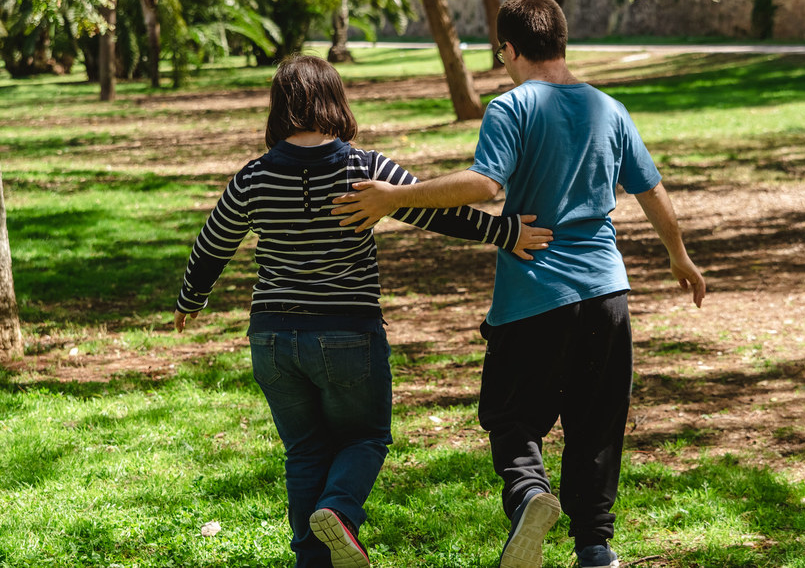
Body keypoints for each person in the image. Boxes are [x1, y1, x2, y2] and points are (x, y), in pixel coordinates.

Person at [331, 0, 706, 568]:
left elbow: (485, 186)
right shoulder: (610, 109)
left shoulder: (512, 107)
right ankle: (595, 549)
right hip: (608, 294)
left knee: (510, 418)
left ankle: (530, 495)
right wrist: (679, 256)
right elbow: (650, 189)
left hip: (534, 297)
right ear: (561, 40)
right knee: (596, 424)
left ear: (508, 49)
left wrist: (394, 198)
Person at [172, 54, 552, 568]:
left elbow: (212, 244)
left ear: (279, 107)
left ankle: (313, 558)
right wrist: (505, 232)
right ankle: (340, 512)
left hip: (272, 339)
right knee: (366, 437)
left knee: (305, 451)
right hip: (346, 331)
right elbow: (434, 213)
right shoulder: (364, 168)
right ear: (334, 100)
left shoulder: (253, 178)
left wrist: (190, 300)